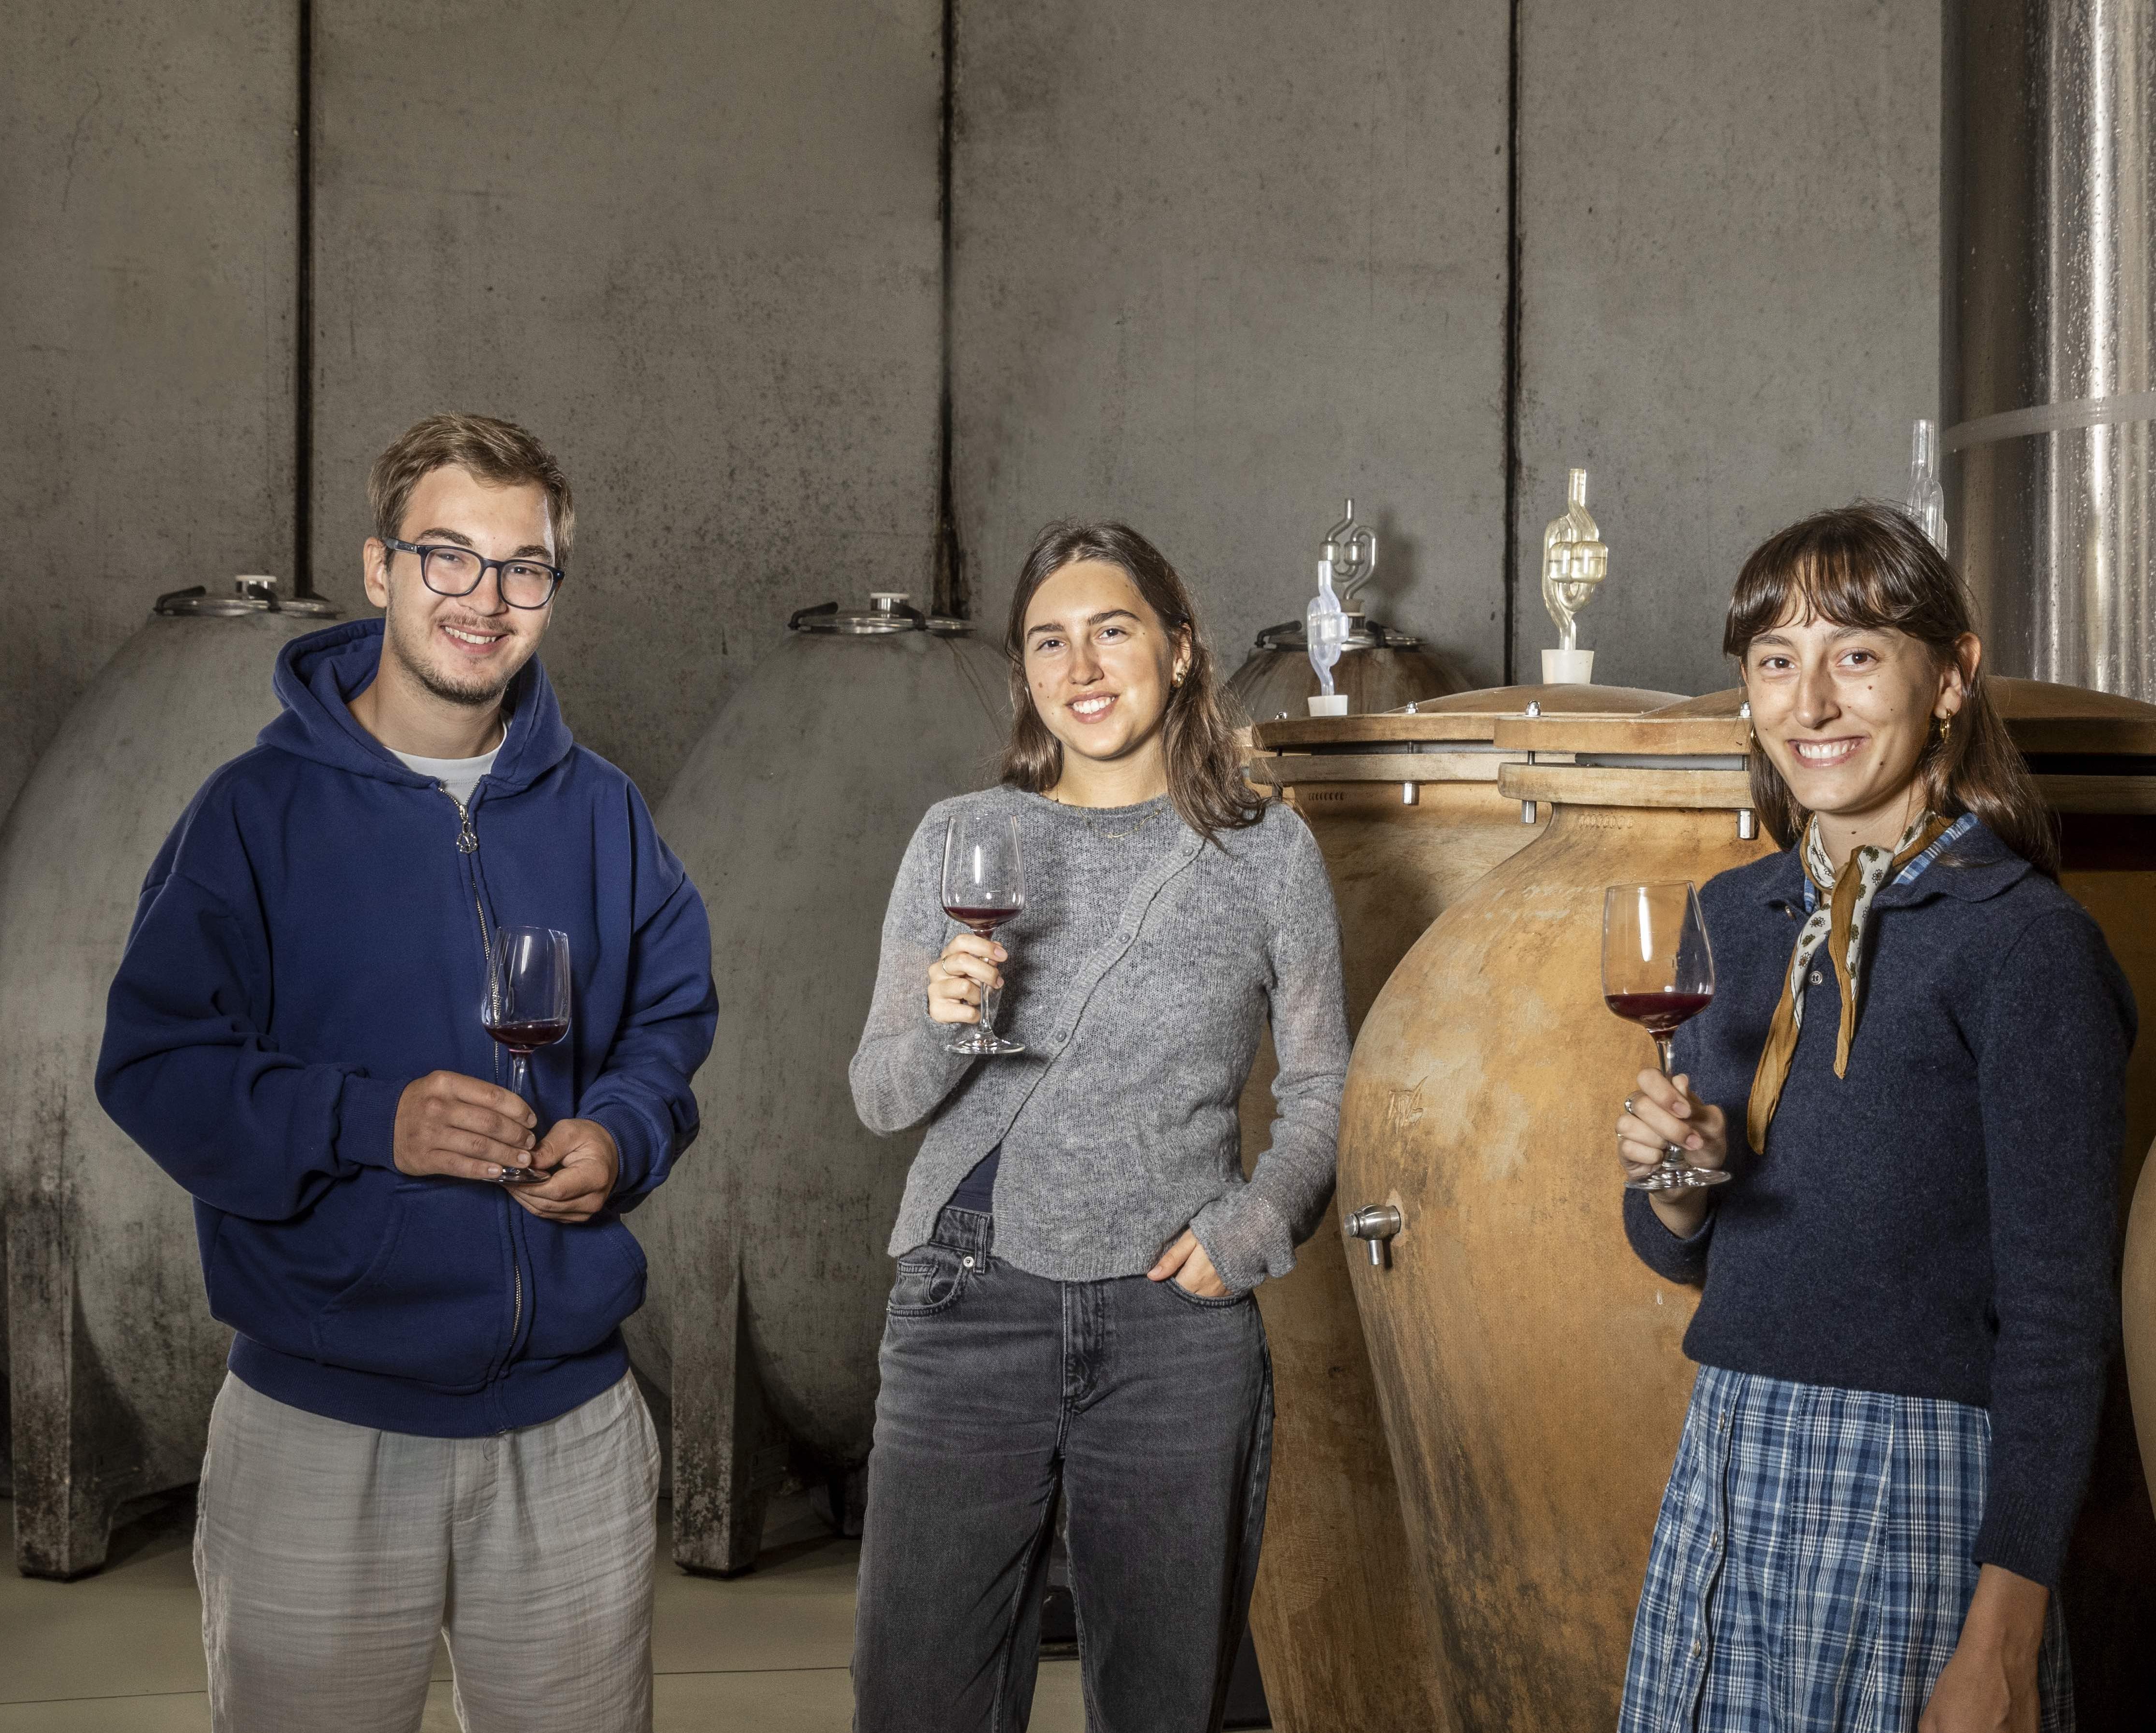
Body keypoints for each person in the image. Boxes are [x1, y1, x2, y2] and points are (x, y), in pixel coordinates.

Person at [94, 413, 716, 1733]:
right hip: (322, 1429)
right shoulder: (253, 814)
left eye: (524, 567)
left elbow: (671, 1018)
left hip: (571, 1423)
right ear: (380, 569)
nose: (486, 601)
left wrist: (621, 1130)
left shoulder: (601, 810)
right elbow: (155, 1065)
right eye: (449, 556)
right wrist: (370, 1120)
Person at [1611, 505, 2132, 1733]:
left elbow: (2061, 1319)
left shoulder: (2023, 944)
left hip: (1923, 1488)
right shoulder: (1730, 918)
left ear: (1951, 676)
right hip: (1734, 1453)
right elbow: (1682, 1249)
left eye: (1855, 653)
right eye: (1775, 662)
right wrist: (1675, 1189)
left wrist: (2004, 1634)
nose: (1812, 703)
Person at [844, 520, 1348, 1732]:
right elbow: (879, 1096)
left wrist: (1256, 1224)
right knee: (920, 1704)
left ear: (1178, 651)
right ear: (1024, 677)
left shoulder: (1267, 853)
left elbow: (1328, 1086)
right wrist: (941, 1022)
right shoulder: (962, 835)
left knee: (1169, 1704)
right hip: (968, 1296)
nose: (1082, 668)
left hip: (1174, 1314)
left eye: (1111, 632)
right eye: (1049, 643)